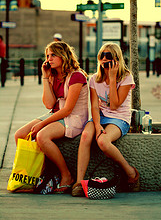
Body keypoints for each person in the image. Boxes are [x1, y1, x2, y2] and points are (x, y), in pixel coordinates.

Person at [15, 41, 88, 193]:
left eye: (53, 55)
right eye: (47, 56)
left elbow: (67, 110)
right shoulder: (54, 75)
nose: (49, 59)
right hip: (55, 113)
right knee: (20, 135)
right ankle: (38, 174)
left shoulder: (77, 76)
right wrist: (45, 77)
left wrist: (42, 124)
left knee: (42, 136)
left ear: (63, 55)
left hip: (73, 117)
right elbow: (49, 104)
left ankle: (66, 175)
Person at [72, 42, 140, 197]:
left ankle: (130, 172)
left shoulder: (126, 77)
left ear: (117, 58)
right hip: (101, 117)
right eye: (101, 55)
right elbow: (95, 107)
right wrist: (97, 126)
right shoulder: (94, 79)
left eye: (108, 56)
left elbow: (115, 105)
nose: (104, 59)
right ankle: (78, 182)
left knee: (103, 142)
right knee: (85, 136)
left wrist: (112, 77)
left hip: (120, 119)